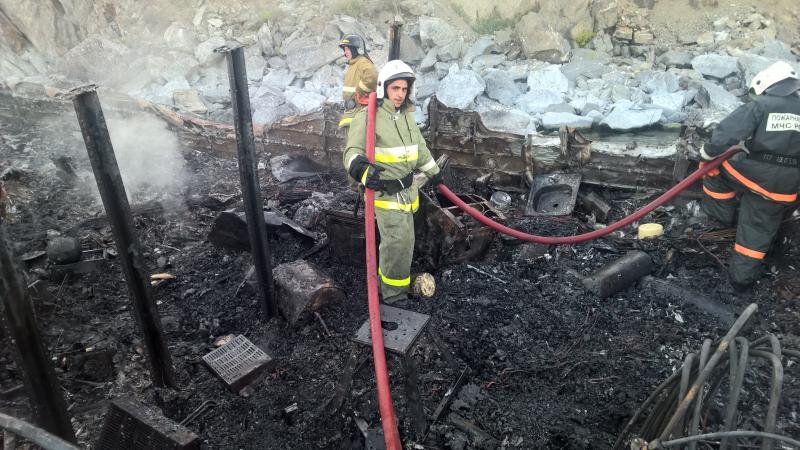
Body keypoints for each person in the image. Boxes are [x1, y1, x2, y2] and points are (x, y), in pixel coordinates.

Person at [343, 60, 442, 304]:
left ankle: (391, 283)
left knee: (406, 241)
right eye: (395, 88)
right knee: (396, 244)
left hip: (408, 193)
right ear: (383, 88)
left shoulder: (406, 117)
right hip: (385, 195)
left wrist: (434, 171)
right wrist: (361, 169)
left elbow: (419, 148)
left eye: (404, 89)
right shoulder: (368, 116)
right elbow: (352, 151)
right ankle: (393, 295)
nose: (400, 94)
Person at [699, 60, 800, 292]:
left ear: (768, 84)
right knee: (759, 227)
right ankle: (742, 280)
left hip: (758, 175)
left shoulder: (761, 105)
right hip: (788, 184)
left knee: (714, 169)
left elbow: (728, 132)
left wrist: (706, 154)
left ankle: (721, 222)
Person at [338, 34, 377, 128]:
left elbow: (372, 78)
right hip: (352, 109)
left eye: (348, 49)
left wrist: (359, 91)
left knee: (352, 133)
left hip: (359, 109)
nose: (345, 52)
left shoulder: (362, 62)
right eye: (344, 49)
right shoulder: (353, 64)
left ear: (357, 49)